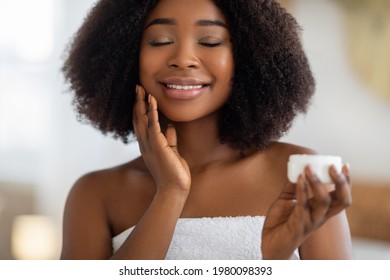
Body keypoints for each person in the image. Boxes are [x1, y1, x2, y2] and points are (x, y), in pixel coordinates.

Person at [60, 0, 353, 260]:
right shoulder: (95, 194)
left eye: (210, 41)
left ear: (248, 57)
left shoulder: (302, 178)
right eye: (160, 40)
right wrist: (170, 192)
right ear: (125, 56)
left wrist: (273, 258)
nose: (184, 58)